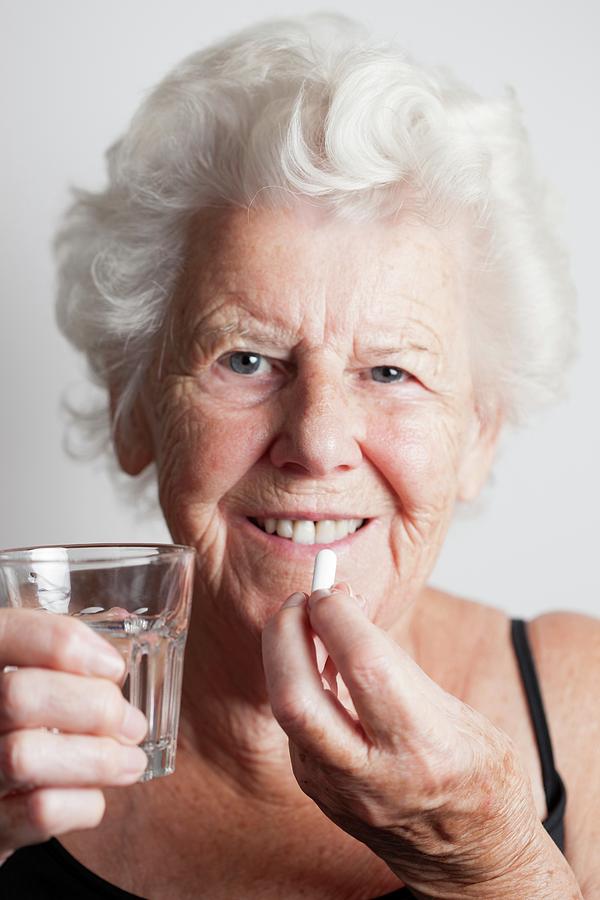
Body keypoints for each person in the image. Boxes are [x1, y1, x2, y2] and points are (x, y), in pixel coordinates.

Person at [0, 12, 597, 899]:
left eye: (390, 371)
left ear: (479, 436)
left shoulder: (582, 701)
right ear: (136, 413)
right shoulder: (13, 740)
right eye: (245, 359)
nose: (316, 442)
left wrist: (499, 863)